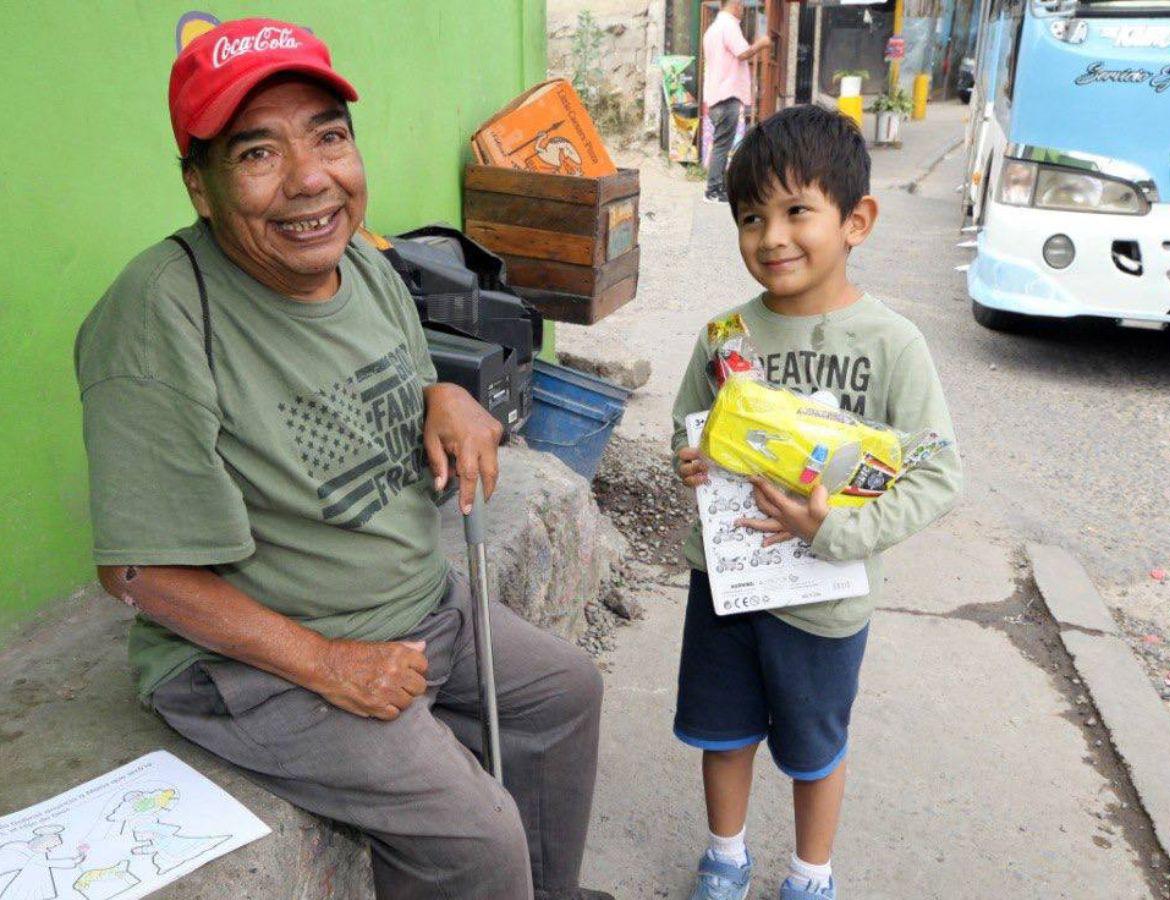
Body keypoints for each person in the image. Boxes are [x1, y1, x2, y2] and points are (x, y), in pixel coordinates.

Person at [74, 18, 612, 900]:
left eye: (328, 136)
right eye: (258, 154)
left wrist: (444, 394)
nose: (310, 179)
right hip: (264, 663)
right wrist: (330, 665)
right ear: (200, 188)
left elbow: (391, 371)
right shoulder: (159, 318)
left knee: (564, 695)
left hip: (413, 608)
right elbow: (140, 573)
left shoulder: (355, 261)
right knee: (478, 835)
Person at [670, 105, 963, 899]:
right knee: (724, 733)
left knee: (813, 744)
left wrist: (837, 529)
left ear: (856, 219)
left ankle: (810, 874)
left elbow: (937, 472)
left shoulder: (892, 344)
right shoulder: (723, 337)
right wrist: (689, 461)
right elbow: (684, 430)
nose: (772, 237)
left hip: (826, 602)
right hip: (728, 589)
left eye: (798, 211)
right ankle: (725, 858)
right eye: (751, 217)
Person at [701, 0, 771, 204]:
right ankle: (713, 189)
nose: (742, 8)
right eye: (740, 4)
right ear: (733, 5)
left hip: (716, 95)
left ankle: (717, 185)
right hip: (726, 95)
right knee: (723, 144)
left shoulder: (713, 29)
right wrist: (763, 42)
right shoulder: (729, 25)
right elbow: (743, 53)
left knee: (721, 143)